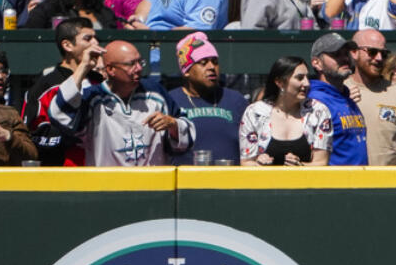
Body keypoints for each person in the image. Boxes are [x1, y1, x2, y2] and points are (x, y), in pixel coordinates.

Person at [48, 39, 194, 166]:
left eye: (140, 62)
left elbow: (187, 135)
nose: (139, 68)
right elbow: (59, 115)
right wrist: (83, 67)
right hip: (108, 189)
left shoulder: (155, 92)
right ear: (111, 69)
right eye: (131, 64)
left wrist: (173, 125)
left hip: (153, 187)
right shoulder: (93, 97)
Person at [22, 17, 103, 166]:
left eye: (96, 38)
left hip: (100, 170)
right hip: (62, 173)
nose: (96, 44)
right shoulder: (46, 85)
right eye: (88, 39)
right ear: (67, 45)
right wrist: (77, 135)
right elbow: (32, 135)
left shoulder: (100, 82)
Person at [167, 32, 246, 165]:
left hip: (230, 180)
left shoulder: (236, 101)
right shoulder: (171, 101)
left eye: (215, 62)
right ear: (186, 71)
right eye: (203, 63)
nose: (211, 67)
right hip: (186, 181)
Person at [347, 29, 396, 166]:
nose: (379, 58)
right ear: (354, 52)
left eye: (384, 53)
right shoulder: (340, 90)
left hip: (392, 182)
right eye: (372, 52)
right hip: (347, 181)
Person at [239, 56, 332, 166]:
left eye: (307, 77)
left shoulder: (318, 112)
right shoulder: (254, 113)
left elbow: (321, 162)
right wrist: (259, 164)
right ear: (280, 82)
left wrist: (300, 167)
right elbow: (246, 162)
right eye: (300, 78)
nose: (307, 83)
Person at [306, 32, 367, 165]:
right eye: (336, 54)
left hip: (360, 182)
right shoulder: (314, 101)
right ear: (317, 63)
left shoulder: (345, 97)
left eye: (346, 53)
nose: (344, 58)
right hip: (334, 183)